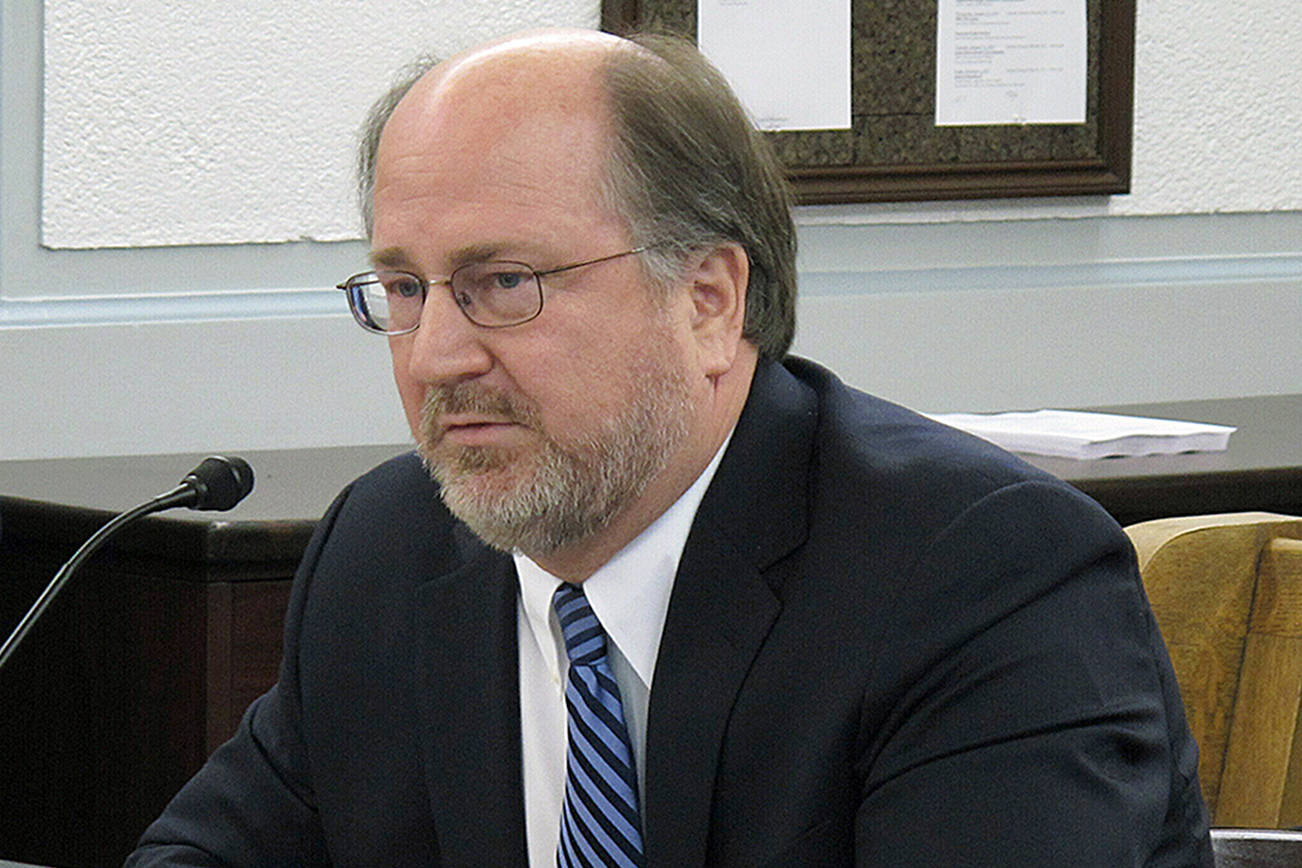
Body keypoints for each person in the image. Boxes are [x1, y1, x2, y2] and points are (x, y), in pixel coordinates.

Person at [127, 28, 1211, 867]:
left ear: (707, 301)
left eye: (504, 282)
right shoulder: (388, 549)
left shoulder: (974, 575)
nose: (435, 354)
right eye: (406, 288)